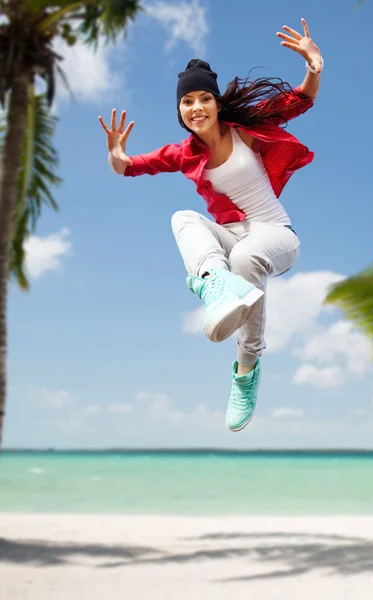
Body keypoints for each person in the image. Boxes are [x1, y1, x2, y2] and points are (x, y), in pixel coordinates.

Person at [99, 18, 322, 433]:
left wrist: (313, 66)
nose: (196, 107)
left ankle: (245, 372)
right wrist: (115, 153)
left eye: (204, 98)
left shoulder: (248, 130)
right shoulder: (183, 154)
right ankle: (211, 282)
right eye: (187, 102)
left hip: (275, 234)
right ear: (180, 112)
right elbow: (128, 168)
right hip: (232, 236)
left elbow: (300, 100)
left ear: (217, 105)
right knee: (183, 217)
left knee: (247, 256)